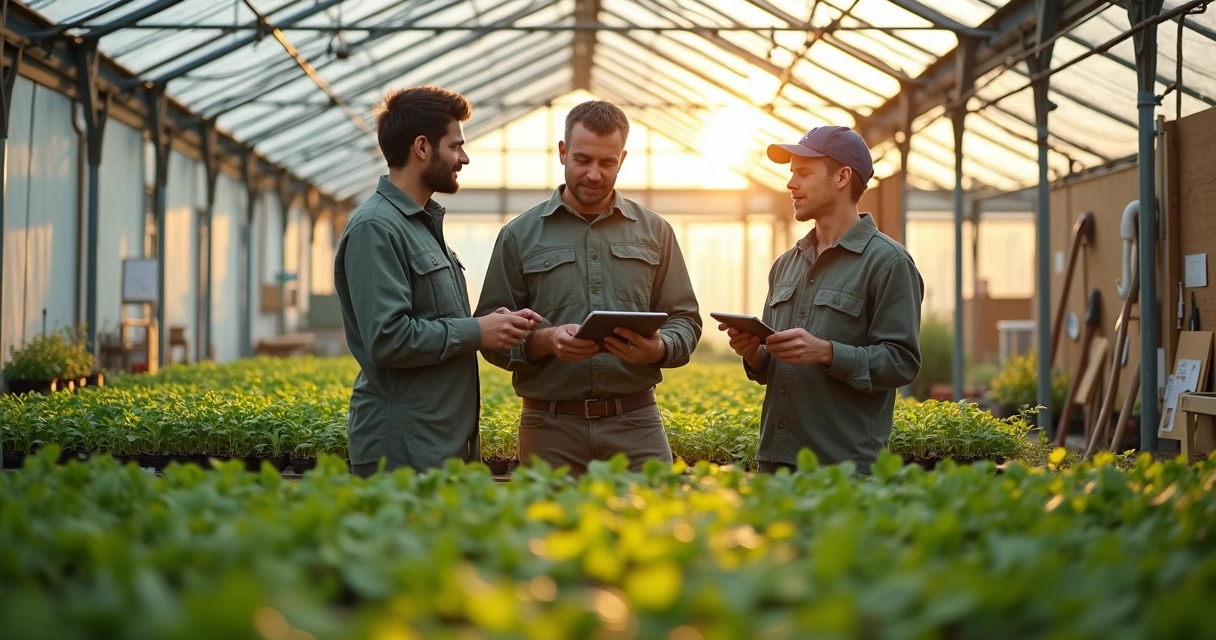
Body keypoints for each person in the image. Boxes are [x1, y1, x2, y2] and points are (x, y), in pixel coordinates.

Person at [474, 100, 702, 476]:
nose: (594, 174)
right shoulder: (518, 235)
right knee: (548, 516)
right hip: (550, 429)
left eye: (607, 163)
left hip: (637, 424)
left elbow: (686, 320)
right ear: (563, 152)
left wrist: (659, 347)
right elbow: (489, 334)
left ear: (622, 159)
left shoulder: (656, 231)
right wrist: (546, 341)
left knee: (654, 514)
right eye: (583, 160)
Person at [334, 86, 541, 477]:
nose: (464, 158)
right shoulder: (376, 228)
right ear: (422, 147)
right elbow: (387, 338)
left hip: (439, 442)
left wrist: (490, 325)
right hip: (402, 450)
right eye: (455, 146)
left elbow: (433, 319)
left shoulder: (421, 224)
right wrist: (477, 331)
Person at [720, 125, 923, 475]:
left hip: (844, 471)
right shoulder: (785, 265)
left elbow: (901, 362)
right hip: (776, 465)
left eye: (803, 173)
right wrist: (753, 352)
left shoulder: (889, 263)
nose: (790, 184)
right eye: (791, 174)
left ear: (842, 177)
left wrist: (827, 352)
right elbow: (772, 367)